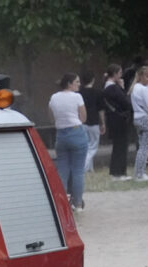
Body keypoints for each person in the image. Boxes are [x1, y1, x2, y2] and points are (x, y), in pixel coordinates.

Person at [48, 72, 88, 211]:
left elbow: (51, 118)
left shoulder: (54, 97)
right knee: (78, 170)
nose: (79, 84)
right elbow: (83, 117)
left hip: (61, 134)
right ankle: (77, 203)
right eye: (77, 82)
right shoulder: (77, 97)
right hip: (76, 132)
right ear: (69, 83)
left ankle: (61, 203)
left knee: (63, 170)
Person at [102, 63, 133, 180]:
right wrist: (122, 87)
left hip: (113, 119)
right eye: (119, 73)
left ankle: (116, 172)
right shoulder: (113, 88)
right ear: (114, 74)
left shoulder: (107, 87)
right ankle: (119, 172)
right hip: (119, 120)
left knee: (118, 146)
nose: (121, 76)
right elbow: (125, 102)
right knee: (121, 146)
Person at [80, 71, 106, 173]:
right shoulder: (98, 93)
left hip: (82, 122)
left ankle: (90, 169)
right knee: (93, 147)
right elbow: (101, 110)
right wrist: (103, 123)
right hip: (94, 122)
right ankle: (84, 168)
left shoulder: (78, 93)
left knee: (86, 146)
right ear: (93, 80)